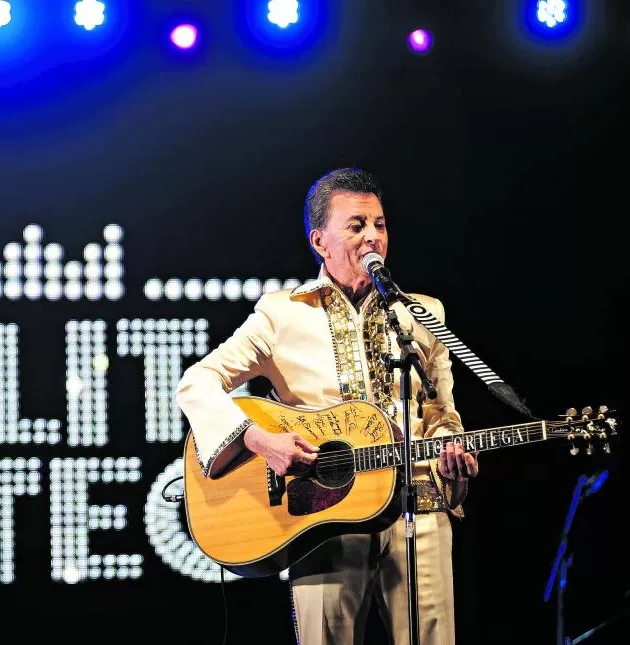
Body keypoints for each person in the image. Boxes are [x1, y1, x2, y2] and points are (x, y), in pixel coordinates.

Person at [175, 167, 479, 644]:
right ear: (320, 241)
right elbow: (197, 382)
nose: (372, 237)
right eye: (356, 226)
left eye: (379, 224)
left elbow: (443, 417)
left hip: (418, 507)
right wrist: (261, 440)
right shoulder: (282, 314)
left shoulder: (422, 314)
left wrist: (453, 463)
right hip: (323, 515)